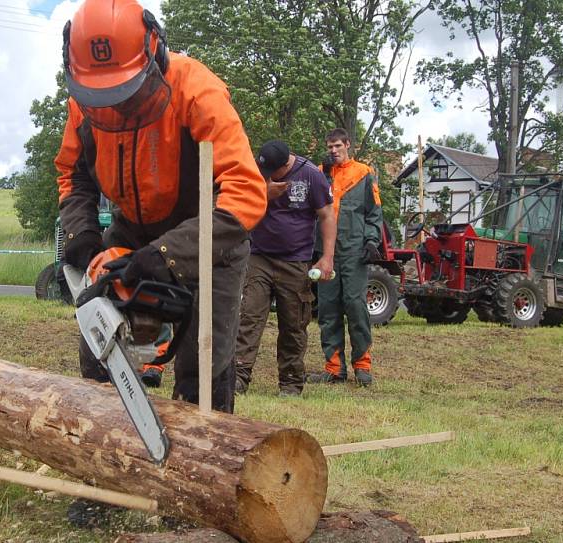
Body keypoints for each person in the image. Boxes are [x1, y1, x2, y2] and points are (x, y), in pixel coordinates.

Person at [54, 0, 266, 415]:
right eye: (104, 95)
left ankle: (208, 453)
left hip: (207, 229)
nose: (116, 105)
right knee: (98, 337)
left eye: (125, 92)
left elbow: (245, 192)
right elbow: (73, 174)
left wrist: (167, 255)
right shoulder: (85, 100)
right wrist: (82, 236)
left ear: (155, 51)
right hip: (132, 225)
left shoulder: (197, 90)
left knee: (203, 363)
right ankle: (102, 441)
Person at [234, 140, 335, 396]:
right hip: (259, 257)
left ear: (286, 164)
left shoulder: (311, 175)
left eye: (272, 173)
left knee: (293, 323)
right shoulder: (259, 172)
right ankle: (237, 377)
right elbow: (241, 204)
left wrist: (327, 258)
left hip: (295, 260)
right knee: (249, 317)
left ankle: (290, 383)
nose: (267, 176)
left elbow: (326, 215)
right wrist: (264, 193)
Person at [306, 128, 383, 387]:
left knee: (355, 306)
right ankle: (334, 368)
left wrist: (372, 240)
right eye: (330, 146)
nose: (333, 150)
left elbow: (374, 212)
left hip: (353, 250)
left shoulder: (363, 173)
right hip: (325, 252)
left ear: (348, 144)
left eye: (337, 145)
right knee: (328, 309)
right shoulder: (319, 173)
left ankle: (362, 365)